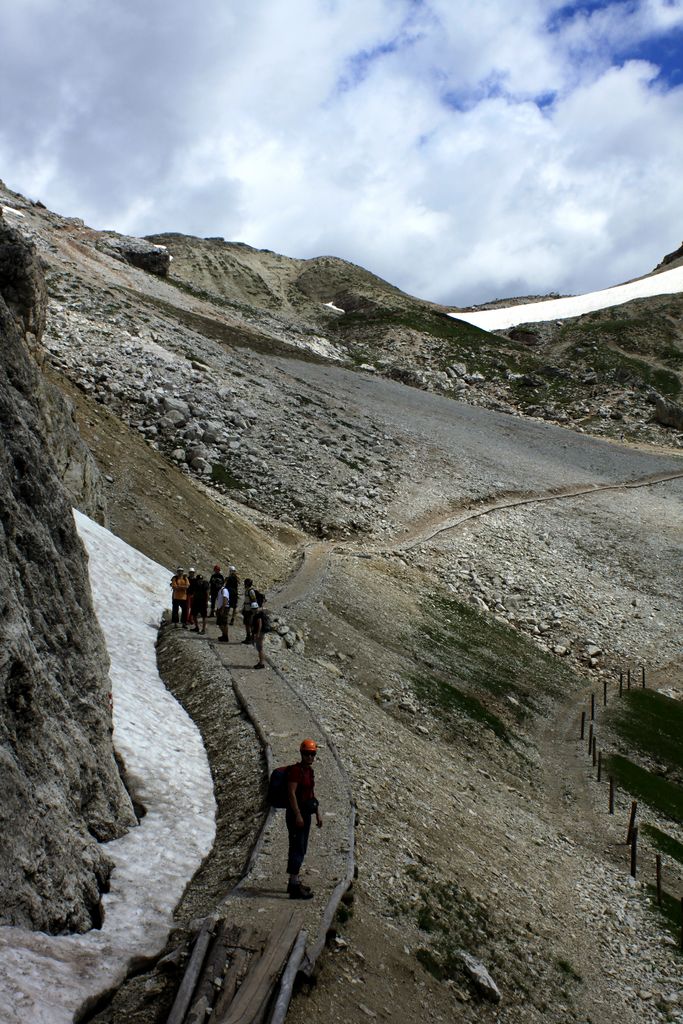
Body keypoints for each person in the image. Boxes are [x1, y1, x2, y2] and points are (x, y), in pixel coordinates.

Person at [286, 739, 322, 899]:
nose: (310, 757)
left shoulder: (309, 771)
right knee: (297, 847)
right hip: (297, 815)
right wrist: (298, 814)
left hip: (306, 814)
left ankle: (294, 881)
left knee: (301, 847)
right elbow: (291, 793)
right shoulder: (296, 771)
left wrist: (317, 813)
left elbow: (311, 794)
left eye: (312, 754)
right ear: (302, 754)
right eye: (307, 754)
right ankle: (294, 885)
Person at [241, 578, 258, 644]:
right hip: (247, 609)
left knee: (249, 624)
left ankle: (250, 638)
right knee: (247, 624)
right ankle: (249, 637)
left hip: (249, 610)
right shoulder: (247, 590)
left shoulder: (250, 591)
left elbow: (254, 600)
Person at [251, 601, 267, 669]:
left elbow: (259, 624)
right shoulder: (259, 614)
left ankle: (261, 663)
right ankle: (261, 662)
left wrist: (257, 634)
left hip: (260, 633)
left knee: (260, 648)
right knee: (260, 648)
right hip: (260, 633)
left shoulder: (257, 615)